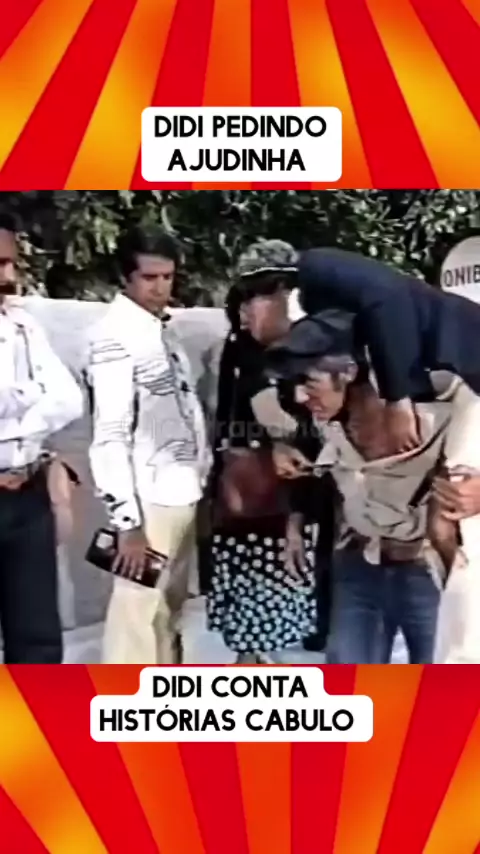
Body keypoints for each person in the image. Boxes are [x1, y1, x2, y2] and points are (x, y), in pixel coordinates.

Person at [269, 313, 470, 663]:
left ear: (348, 372)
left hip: (426, 571)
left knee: (443, 686)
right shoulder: (322, 419)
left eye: (309, 381)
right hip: (359, 565)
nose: (300, 396)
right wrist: (295, 520)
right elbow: (307, 460)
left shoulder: (434, 413)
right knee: (348, 685)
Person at [87, 225, 210, 664]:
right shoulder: (115, 336)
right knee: (135, 617)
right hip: (148, 498)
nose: (160, 287)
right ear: (126, 277)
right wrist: (127, 522)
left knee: (168, 613)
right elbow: (110, 434)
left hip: (182, 491)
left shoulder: (161, 329)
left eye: (167, 277)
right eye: (149, 277)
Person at [206, 265, 318, 663]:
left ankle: (256, 657)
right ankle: (253, 662)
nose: (246, 314)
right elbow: (271, 417)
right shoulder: (248, 353)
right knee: (260, 590)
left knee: (265, 598)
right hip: (259, 491)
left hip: (265, 491)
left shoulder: (277, 350)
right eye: (243, 305)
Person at [0, 212, 84, 663]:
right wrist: (33, 394)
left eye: (11, 263)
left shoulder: (23, 326)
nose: (9, 277)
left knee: (38, 639)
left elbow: (69, 400)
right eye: (0, 264)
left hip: (28, 493)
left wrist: (19, 412)